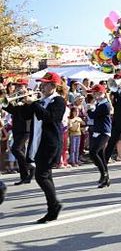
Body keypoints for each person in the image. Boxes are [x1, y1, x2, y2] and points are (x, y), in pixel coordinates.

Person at [22, 72, 66, 223]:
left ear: (53, 86)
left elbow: (51, 118)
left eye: (45, 84)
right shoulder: (41, 101)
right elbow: (25, 115)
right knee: (46, 176)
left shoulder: (58, 101)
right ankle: (52, 208)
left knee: (41, 176)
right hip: (38, 142)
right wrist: (12, 104)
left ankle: (54, 206)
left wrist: (34, 103)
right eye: (42, 83)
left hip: (50, 143)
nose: (42, 86)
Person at [2, 78, 32, 185]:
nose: (18, 88)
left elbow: (29, 113)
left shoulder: (30, 97)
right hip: (17, 128)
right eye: (17, 86)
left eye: (20, 86)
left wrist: (26, 101)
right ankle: (25, 177)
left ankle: (30, 165)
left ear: (25, 86)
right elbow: (13, 111)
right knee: (21, 151)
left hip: (25, 128)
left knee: (15, 149)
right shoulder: (17, 99)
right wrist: (6, 103)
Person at [87, 84, 112, 188]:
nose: (94, 94)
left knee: (93, 152)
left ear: (101, 93)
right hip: (98, 131)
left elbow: (93, 115)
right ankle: (106, 178)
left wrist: (89, 109)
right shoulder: (99, 103)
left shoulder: (105, 104)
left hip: (104, 132)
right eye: (93, 92)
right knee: (100, 154)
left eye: (95, 92)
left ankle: (104, 174)